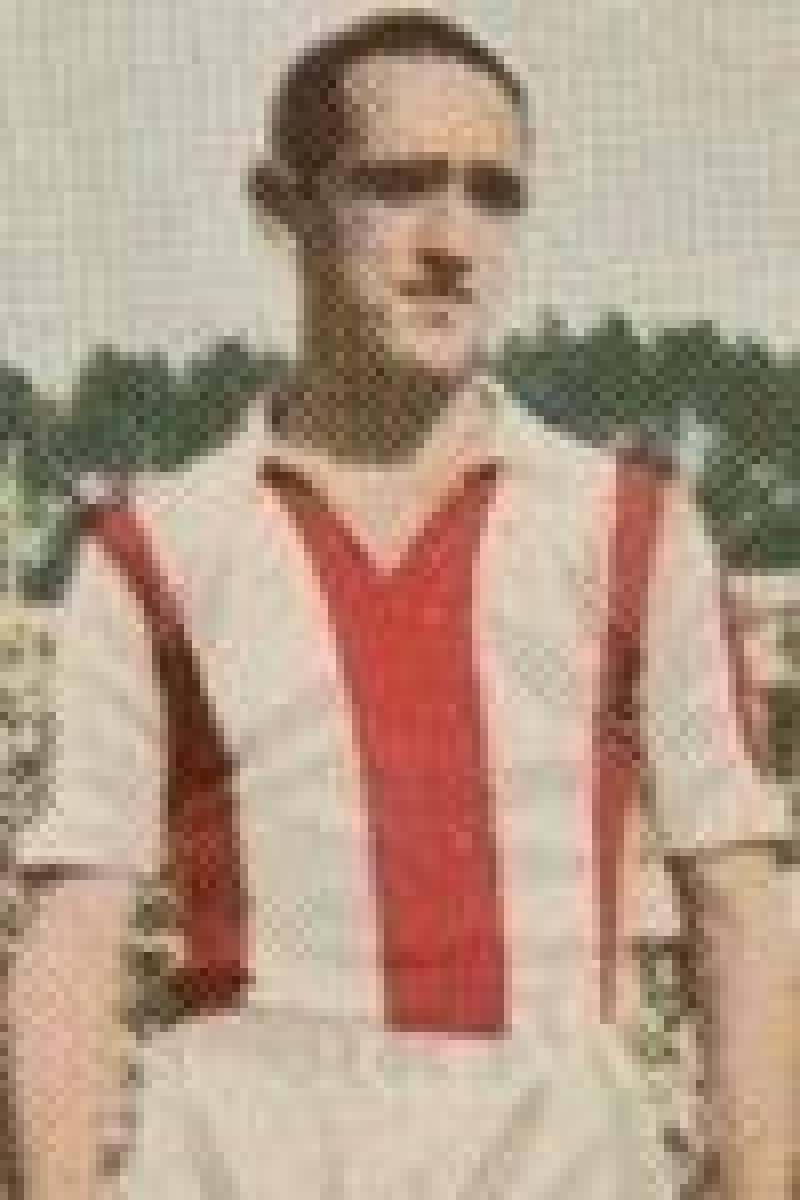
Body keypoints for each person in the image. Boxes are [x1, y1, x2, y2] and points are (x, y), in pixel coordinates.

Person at [8, 10, 795, 1198]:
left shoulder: (631, 527)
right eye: (396, 185)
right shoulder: (157, 545)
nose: (450, 242)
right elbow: (76, 928)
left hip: (549, 1147)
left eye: (492, 194)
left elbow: (734, 902)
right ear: (282, 204)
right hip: (249, 1147)